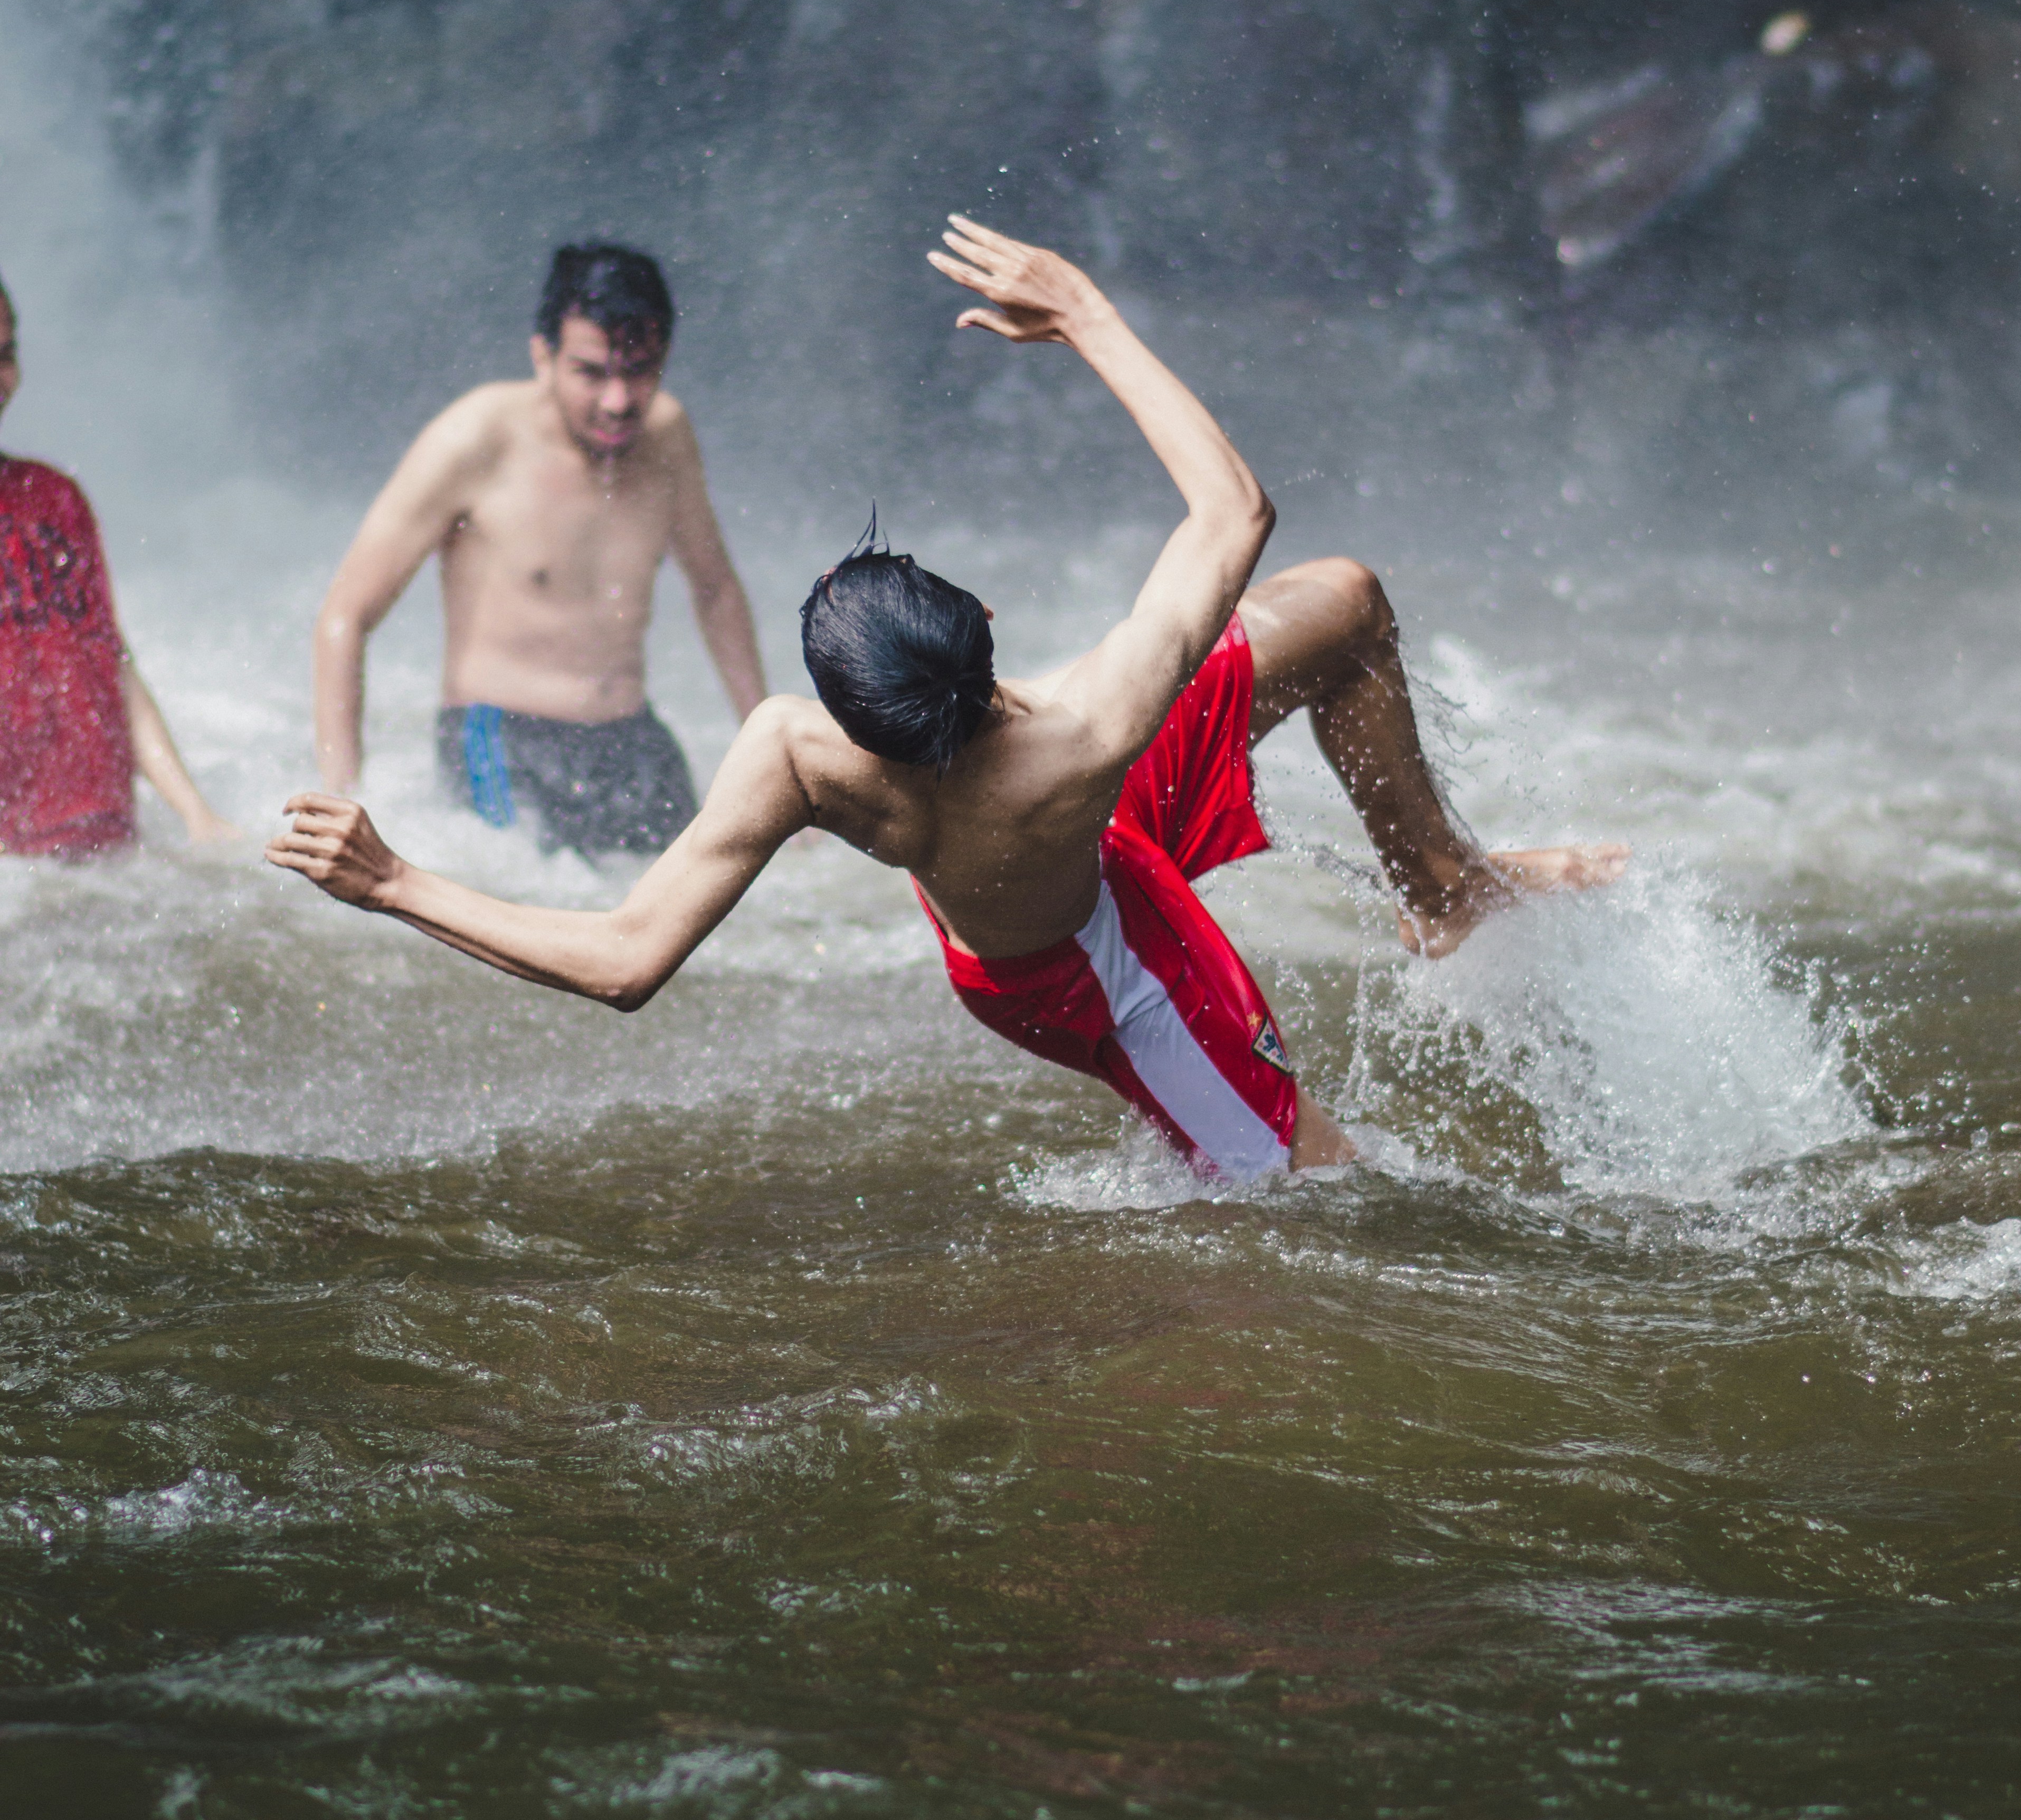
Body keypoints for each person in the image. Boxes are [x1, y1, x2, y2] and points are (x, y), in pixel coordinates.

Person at [274, 223, 1624, 1180]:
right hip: (1089, 957)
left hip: (1062, 838)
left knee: (1339, 607)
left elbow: (625, 963)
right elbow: (1235, 507)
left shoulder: (801, 755)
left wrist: (392, 881)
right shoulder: (1098, 712)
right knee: (1324, 1191)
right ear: (982, 626)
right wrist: (1085, 313)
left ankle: (1442, 885)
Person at [313, 242, 767, 858]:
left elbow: (714, 590)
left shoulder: (666, 435)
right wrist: (344, 797)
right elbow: (346, 614)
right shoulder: (474, 439)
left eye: (640, 370)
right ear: (542, 356)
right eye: (591, 372)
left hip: (633, 739)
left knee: (717, 910)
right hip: (501, 740)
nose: (618, 400)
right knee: (522, 917)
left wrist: (767, 749)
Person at [0, 275, 239, 857]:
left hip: (100, 831)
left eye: (6, 355)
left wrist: (196, 812)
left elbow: (109, 659)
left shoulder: (54, 497)